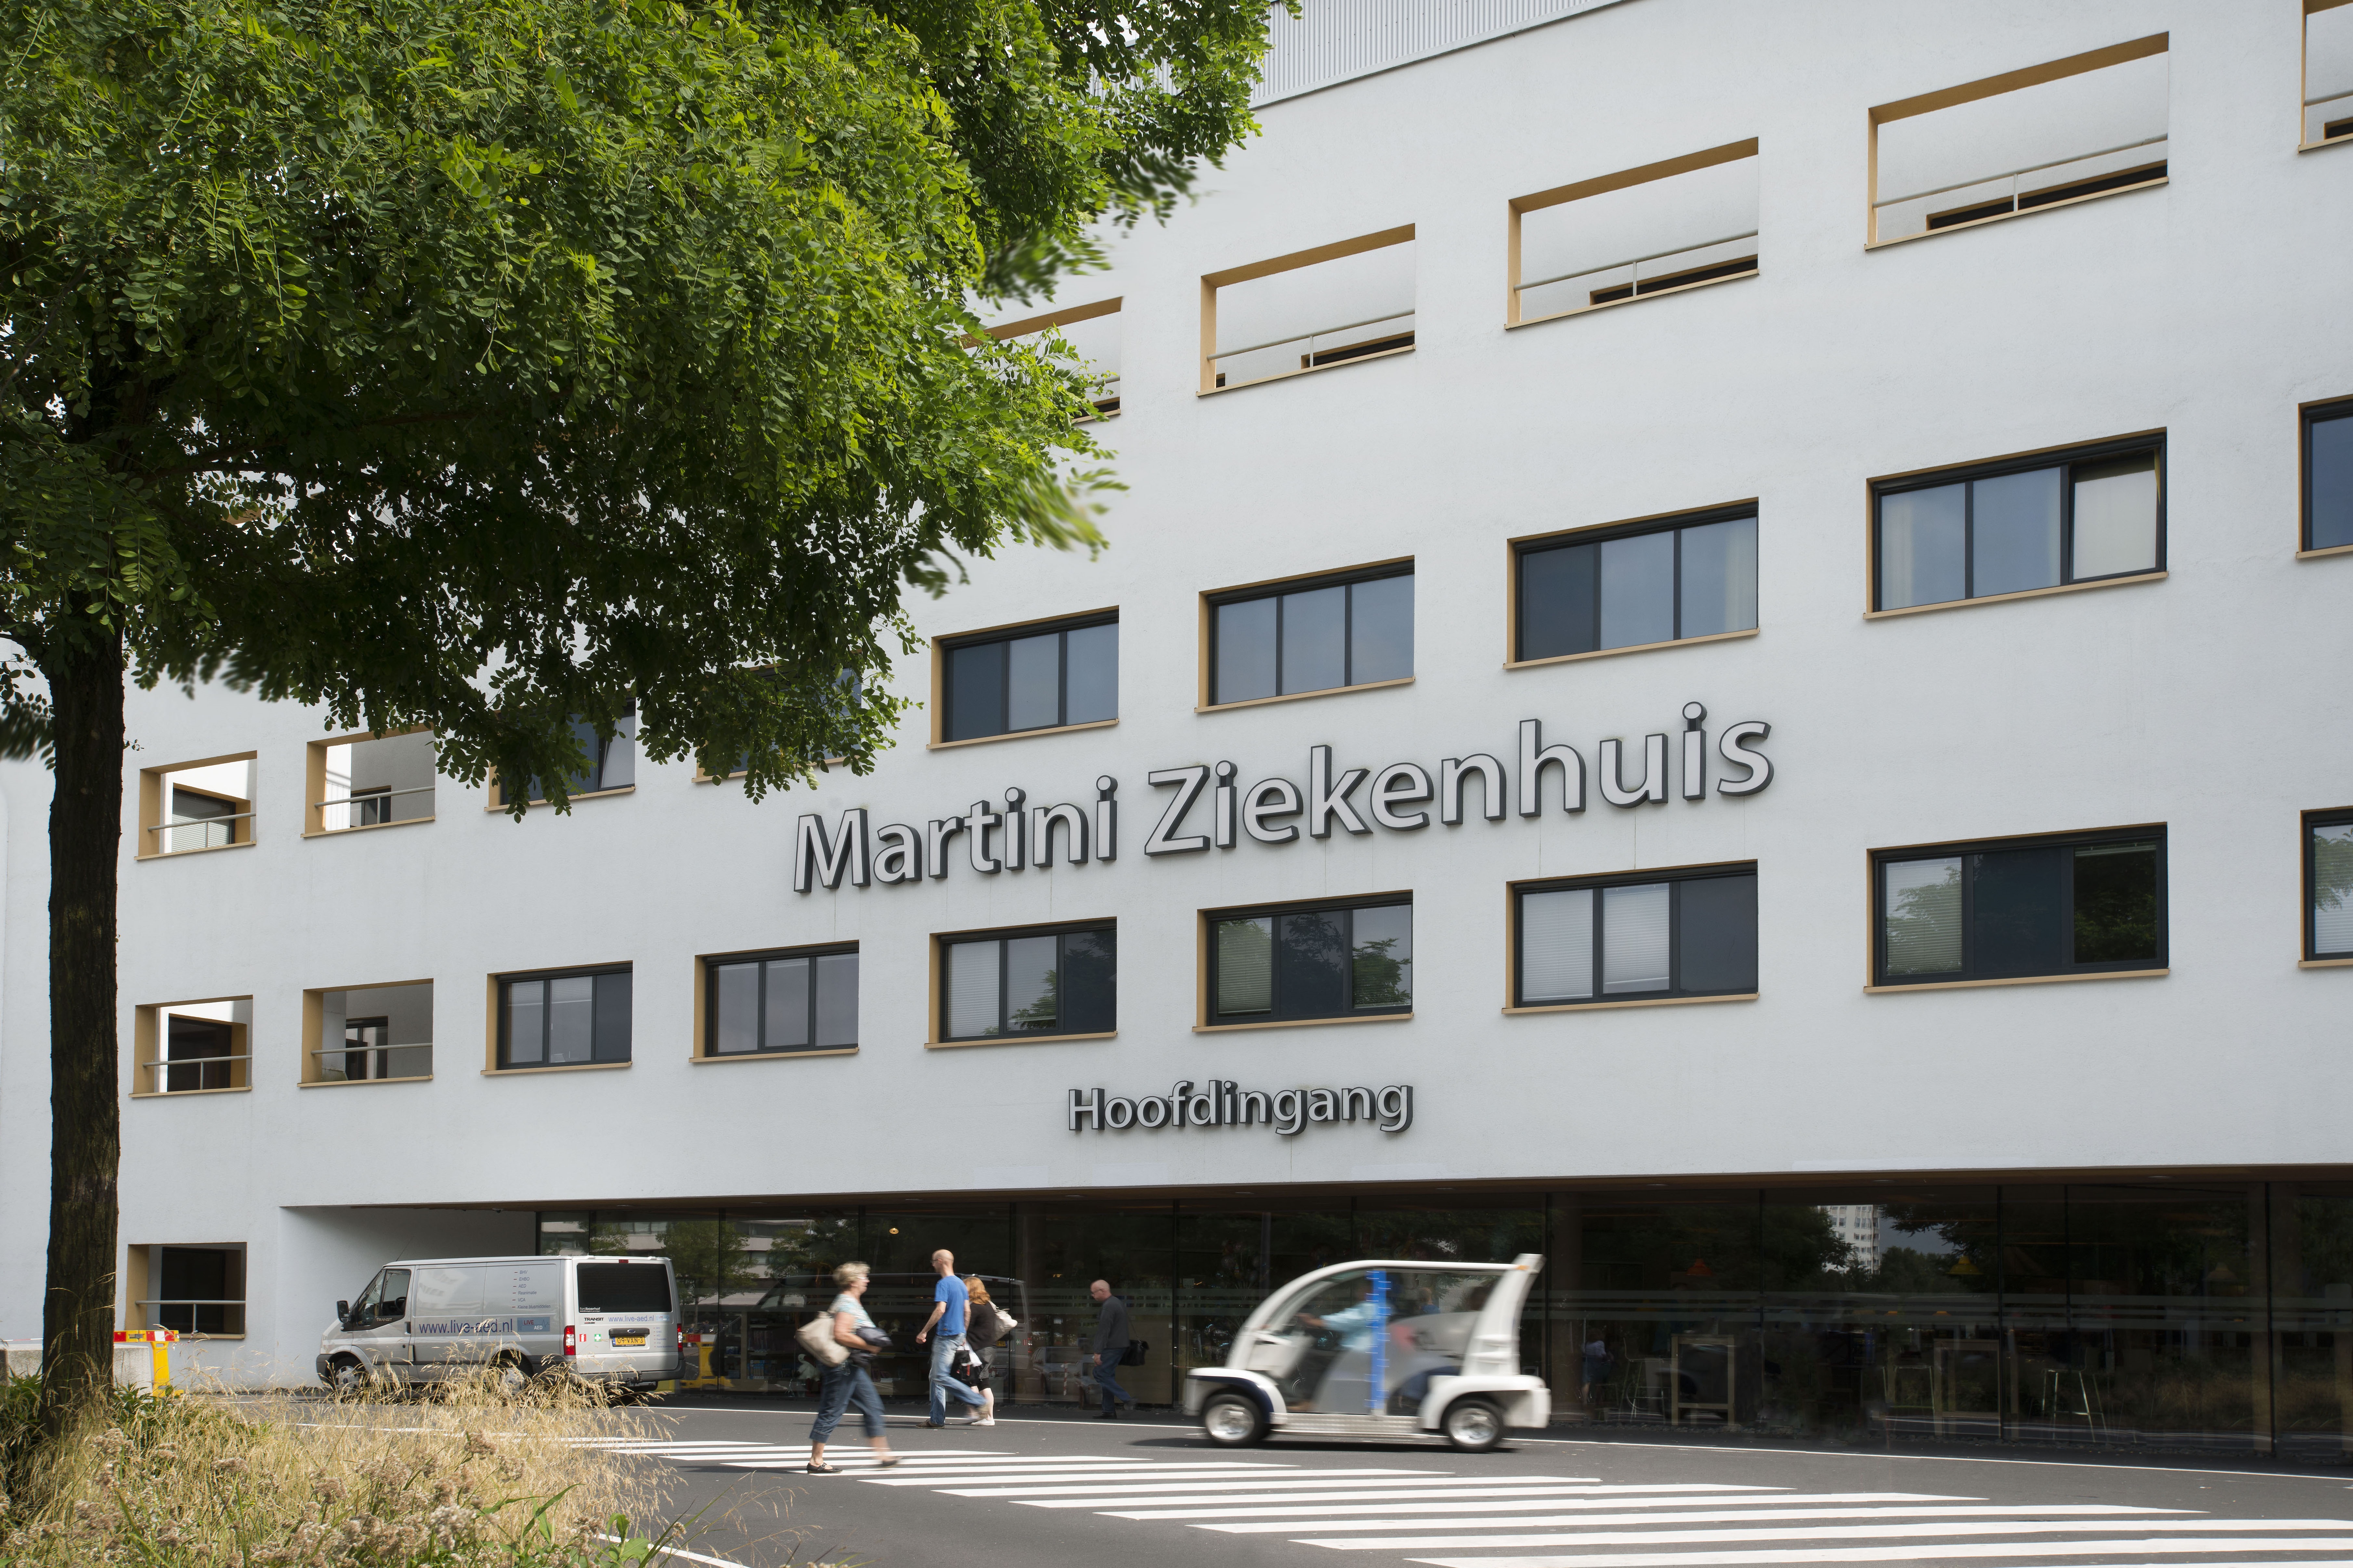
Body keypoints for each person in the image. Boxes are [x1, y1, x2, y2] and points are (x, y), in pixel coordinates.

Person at [806, 1262, 896, 1475]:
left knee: (873, 1407)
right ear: (854, 1281)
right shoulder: (847, 1302)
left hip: (852, 1366)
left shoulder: (851, 1301)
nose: (867, 1280)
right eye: (864, 1277)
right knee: (832, 1410)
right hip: (843, 1367)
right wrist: (869, 1346)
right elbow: (841, 1334)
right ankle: (816, 1461)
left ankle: (884, 1455)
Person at [914, 1247, 990, 1427]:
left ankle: (978, 1402)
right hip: (958, 1335)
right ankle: (936, 1419)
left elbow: (940, 1310)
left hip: (946, 1335)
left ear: (940, 1262)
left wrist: (924, 1331)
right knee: (936, 1377)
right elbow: (967, 1311)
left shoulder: (944, 1284)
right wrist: (963, 1333)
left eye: (933, 1261)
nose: (932, 1265)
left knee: (939, 1376)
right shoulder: (961, 1284)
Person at [1087, 1278, 1135, 1419]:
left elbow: (1104, 1330)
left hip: (1112, 1347)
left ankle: (1127, 1399)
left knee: (1100, 1373)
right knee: (1107, 1376)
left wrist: (1098, 1352)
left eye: (1094, 1293)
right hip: (1119, 1346)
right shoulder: (1117, 1303)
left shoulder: (1109, 1306)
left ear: (1103, 1291)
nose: (1093, 1296)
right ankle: (1108, 1410)